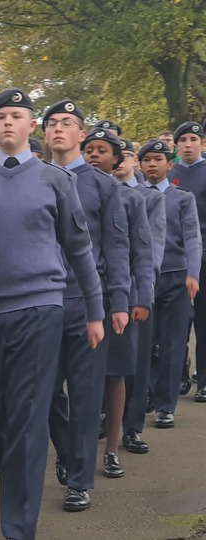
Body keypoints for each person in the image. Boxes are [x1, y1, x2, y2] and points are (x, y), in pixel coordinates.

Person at [0, 89, 104, 540]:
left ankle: (19, 526)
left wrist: (95, 309)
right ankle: (19, 479)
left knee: (30, 416)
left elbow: (78, 248)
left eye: (17, 116)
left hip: (41, 307)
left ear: (32, 127)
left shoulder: (56, 180)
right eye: (0, 117)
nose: (8, 123)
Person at [42, 99, 130, 511]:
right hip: (38, 302)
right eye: (53, 123)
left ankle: (79, 479)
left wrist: (120, 300)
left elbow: (116, 246)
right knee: (42, 393)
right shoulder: (32, 179)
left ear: (81, 135)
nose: (59, 128)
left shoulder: (103, 185)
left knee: (85, 391)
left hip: (85, 303)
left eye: (68, 123)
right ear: (44, 135)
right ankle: (68, 451)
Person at [83, 128, 153, 477]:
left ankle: (112, 447)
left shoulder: (132, 199)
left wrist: (142, 297)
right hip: (79, 296)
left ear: (117, 159)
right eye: (89, 149)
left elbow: (141, 252)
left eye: (102, 150)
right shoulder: (71, 191)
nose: (94, 155)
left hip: (117, 298)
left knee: (115, 374)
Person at [140, 139, 201, 429]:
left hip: (176, 277)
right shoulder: (132, 196)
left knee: (173, 343)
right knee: (144, 343)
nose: (152, 164)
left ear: (169, 164)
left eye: (158, 159)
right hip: (143, 280)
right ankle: (148, 392)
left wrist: (193, 273)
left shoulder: (182, 198)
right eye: (147, 159)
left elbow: (192, 237)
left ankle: (166, 405)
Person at [115, 138, 166, 454]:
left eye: (126, 154)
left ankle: (131, 428)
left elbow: (154, 246)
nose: (119, 160)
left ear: (134, 160)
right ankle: (103, 419)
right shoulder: (96, 192)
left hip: (136, 289)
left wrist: (145, 288)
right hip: (106, 291)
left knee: (136, 362)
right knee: (106, 365)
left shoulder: (148, 198)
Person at [168, 121, 206, 402]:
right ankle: (178, 374)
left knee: (204, 320)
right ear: (176, 145)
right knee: (177, 321)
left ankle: (204, 379)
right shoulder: (170, 173)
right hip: (175, 258)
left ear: (202, 143)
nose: (188, 144)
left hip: (204, 254)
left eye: (194, 139)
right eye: (183, 140)